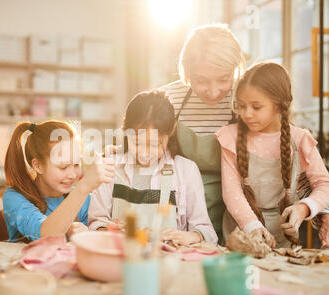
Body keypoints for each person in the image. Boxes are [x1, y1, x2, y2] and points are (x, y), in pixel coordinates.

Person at [215, 62, 329, 248]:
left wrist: (303, 208)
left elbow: (324, 185)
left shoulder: (300, 140)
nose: (247, 114)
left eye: (256, 107)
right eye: (242, 106)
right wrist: (252, 227)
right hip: (239, 236)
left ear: (279, 105)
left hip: (283, 241)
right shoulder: (230, 137)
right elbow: (232, 192)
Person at [88, 90, 218, 245]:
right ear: (125, 130)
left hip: (170, 260)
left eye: (155, 144)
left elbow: (207, 231)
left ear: (172, 131)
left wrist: (191, 236)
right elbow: (95, 223)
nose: (144, 153)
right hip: (121, 255)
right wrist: (108, 229)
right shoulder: (110, 166)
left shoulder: (186, 171)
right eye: (137, 143)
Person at [160, 24, 246, 244]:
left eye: (224, 79)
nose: (214, 90)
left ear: (236, 68)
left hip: (237, 215)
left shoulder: (246, 100)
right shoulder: (169, 98)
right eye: (201, 81)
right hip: (178, 216)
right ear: (186, 72)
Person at [2, 120, 116, 242]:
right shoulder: (14, 198)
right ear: (38, 165)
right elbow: (44, 233)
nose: (72, 175)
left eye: (77, 164)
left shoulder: (85, 201)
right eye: (63, 167)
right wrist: (83, 187)